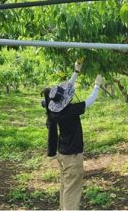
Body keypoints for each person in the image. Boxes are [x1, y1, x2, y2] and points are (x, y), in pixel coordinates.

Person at [42, 61, 103, 210]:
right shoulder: (71, 111)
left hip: (63, 153)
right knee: (72, 191)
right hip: (73, 157)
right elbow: (89, 101)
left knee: (65, 187)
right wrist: (97, 85)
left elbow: (65, 90)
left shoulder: (54, 112)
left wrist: (76, 71)